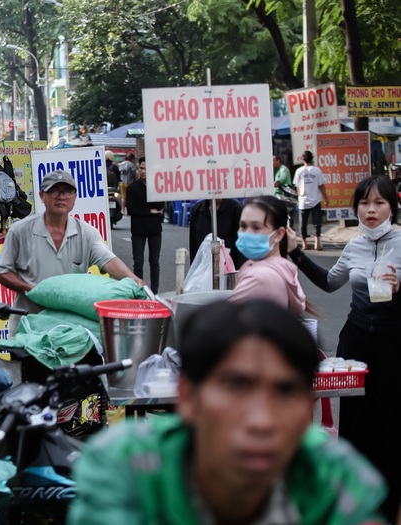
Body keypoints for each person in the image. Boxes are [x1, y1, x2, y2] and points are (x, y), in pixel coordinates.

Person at [68, 298, 387, 525]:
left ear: (309, 407)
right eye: (236, 386)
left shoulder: (333, 476)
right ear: (188, 397)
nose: (262, 421)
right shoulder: (128, 467)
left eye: (287, 391)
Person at [289, 174, 401, 520]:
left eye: (379, 203)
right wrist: (296, 253)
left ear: (391, 207)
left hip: (395, 343)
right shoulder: (353, 245)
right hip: (356, 341)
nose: (370, 210)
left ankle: (390, 507)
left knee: (392, 426)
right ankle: (356, 506)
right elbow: (329, 282)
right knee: (356, 425)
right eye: (364, 203)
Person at [0, 170, 143, 321]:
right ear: (41, 196)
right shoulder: (20, 231)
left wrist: (133, 279)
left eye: (67, 191)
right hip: (28, 324)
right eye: (54, 190)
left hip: (70, 328)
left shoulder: (87, 233)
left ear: (75, 197)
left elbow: (108, 261)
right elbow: (1, 272)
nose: (61, 196)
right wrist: (34, 291)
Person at [229, 195, 305, 315]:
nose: (247, 233)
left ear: (279, 234)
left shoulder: (259, 276)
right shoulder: (283, 267)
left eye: (256, 227)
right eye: (243, 226)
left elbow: (225, 321)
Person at [125, 157, 162, 293]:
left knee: (155, 262)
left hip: (155, 230)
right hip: (138, 230)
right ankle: (139, 290)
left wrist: (150, 211)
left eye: (146, 168)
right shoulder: (132, 188)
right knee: (138, 262)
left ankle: (155, 292)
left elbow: (160, 206)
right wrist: (149, 211)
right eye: (141, 168)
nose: (144, 171)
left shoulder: (157, 187)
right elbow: (131, 209)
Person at [188, 197, 248, 270]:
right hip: (203, 269)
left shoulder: (236, 209)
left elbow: (242, 246)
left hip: (230, 270)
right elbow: (194, 246)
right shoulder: (196, 210)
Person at [293, 150, 329, 251]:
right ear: (312, 159)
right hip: (316, 200)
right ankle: (317, 243)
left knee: (303, 224)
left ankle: (305, 244)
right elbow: (321, 186)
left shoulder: (299, 171)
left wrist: (300, 196)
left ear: (303, 159)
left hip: (303, 201)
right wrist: (326, 198)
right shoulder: (317, 170)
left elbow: (297, 187)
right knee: (317, 222)